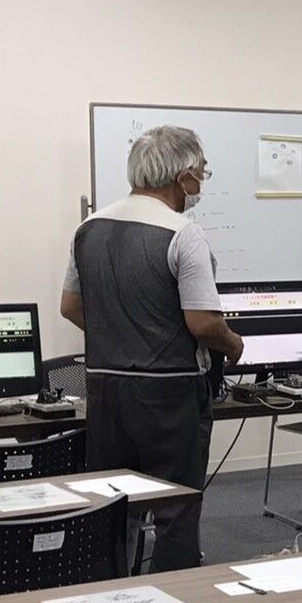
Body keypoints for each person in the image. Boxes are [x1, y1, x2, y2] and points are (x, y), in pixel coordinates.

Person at [60, 125, 243, 571]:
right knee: (175, 508)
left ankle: (110, 589)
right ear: (183, 176)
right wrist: (234, 343)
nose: (200, 184)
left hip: (105, 391)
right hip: (171, 394)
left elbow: (70, 307)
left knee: (112, 502)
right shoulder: (183, 234)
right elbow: (203, 322)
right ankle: (174, 602)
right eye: (201, 173)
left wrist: (120, 334)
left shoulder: (88, 229)